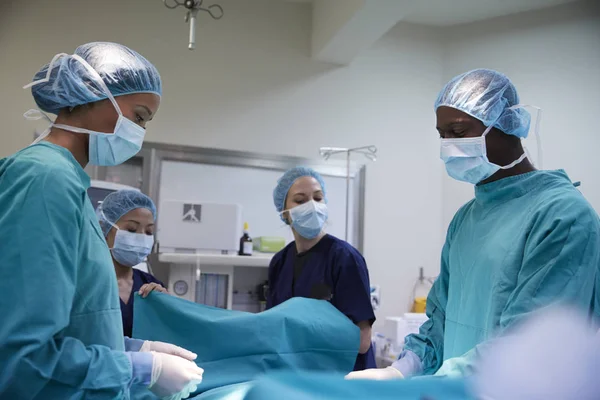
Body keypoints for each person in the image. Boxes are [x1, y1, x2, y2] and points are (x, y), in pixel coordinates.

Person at [347, 68, 600, 380]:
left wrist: (438, 387)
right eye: (442, 135)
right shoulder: (466, 219)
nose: (448, 145)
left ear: (508, 125)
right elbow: (439, 320)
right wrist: (402, 370)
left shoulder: (563, 217)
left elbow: (530, 346)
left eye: (458, 131)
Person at [0, 42, 203, 399]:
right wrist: (139, 369)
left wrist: (132, 348)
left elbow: (76, 324)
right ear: (91, 94)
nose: (139, 132)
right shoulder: (44, 179)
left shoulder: (69, 182)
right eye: (139, 116)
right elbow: (23, 357)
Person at [266, 167, 376, 371]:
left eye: (318, 198)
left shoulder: (344, 258)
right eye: (300, 200)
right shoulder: (280, 262)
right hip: (295, 377)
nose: (312, 206)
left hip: (340, 380)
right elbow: (272, 329)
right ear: (285, 212)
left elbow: (362, 342)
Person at [98, 189, 170, 338]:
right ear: (103, 229)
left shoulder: (151, 285)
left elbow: (166, 337)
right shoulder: (87, 284)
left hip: (144, 361)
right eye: (131, 229)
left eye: (149, 232)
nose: (141, 237)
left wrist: (166, 307)